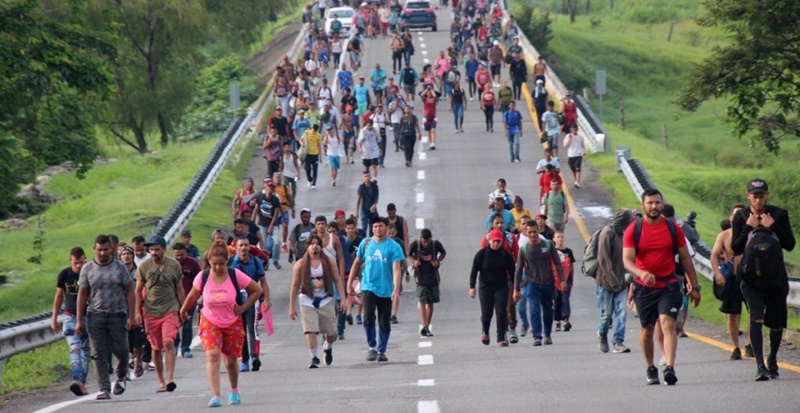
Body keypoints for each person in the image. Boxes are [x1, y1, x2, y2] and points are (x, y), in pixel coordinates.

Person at [623, 188, 702, 386]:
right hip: (644, 287)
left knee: (668, 324)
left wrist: (695, 287)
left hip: (668, 285)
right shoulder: (634, 229)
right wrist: (641, 273)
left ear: (662, 205)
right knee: (647, 329)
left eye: (657, 203)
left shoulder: (673, 228)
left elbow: (685, 258)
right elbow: (627, 260)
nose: (654, 207)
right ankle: (650, 367)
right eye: (650, 203)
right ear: (643, 205)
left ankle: (669, 367)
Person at [180, 240, 262, 407]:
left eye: (221, 264)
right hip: (210, 321)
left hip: (232, 321)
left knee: (231, 361)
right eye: (214, 264)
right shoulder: (203, 276)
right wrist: (182, 310)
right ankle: (216, 395)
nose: (218, 268)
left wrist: (243, 307)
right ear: (209, 262)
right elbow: (193, 295)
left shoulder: (234, 274)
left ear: (227, 262)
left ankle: (234, 390)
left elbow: (257, 290)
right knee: (213, 355)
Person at [731, 179, 795, 381]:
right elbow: (735, 248)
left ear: (767, 195)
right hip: (751, 278)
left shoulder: (779, 214)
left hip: (775, 277)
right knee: (756, 318)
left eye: (761, 196)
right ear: (748, 196)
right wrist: (747, 227)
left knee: (776, 323)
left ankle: (772, 358)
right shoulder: (741, 216)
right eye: (754, 196)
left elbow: (790, 244)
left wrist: (773, 226)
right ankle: (760, 365)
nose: (758, 201)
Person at [75, 235, 137, 400]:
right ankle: (104, 388)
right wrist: (79, 320)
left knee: (121, 350)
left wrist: (132, 316)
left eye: (106, 249)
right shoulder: (87, 268)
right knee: (99, 353)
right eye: (99, 250)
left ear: (111, 249)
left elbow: (130, 291)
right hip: (95, 315)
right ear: (94, 249)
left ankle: (121, 375)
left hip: (118, 314)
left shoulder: (120, 267)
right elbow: (82, 294)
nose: (102, 253)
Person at [348, 216, 405, 362]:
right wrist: (349, 283)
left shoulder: (394, 246)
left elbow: (396, 270)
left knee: (384, 321)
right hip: (368, 286)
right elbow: (356, 263)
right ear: (372, 228)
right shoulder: (366, 243)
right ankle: (372, 346)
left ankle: (381, 350)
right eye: (375, 226)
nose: (378, 229)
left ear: (386, 227)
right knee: (368, 317)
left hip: (386, 289)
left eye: (380, 226)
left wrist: (396, 290)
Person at [288, 233, 346, 368]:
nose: (315, 246)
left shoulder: (329, 261)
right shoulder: (300, 264)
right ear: (307, 247)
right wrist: (292, 306)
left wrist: (343, 299)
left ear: (321, 247)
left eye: (317, 244)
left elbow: (337, 280)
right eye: (312, 244)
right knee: (310, 330)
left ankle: (328, 346)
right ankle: (314, 357)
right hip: (307, 300)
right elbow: (295, 285)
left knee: (331, 333)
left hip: (326, 300)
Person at [135, 236, 184, 393]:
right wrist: (137, 312)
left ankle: (170, 379)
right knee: (156, 347)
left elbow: (179, 288)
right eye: (151, 250)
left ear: (164, 249)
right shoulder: (144, 267)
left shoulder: (174, 265)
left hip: (170, 309)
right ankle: (161, 381)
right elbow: (138, 291)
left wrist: (183, 309)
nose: (153, 253)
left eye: (157, 249)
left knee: (168, 342)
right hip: (150, 312)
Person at [711, 204, 753, 360]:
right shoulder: (724, 235)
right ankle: (735, 346)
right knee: (732, 314)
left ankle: (750, 343)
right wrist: (717, 273)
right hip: (732, 278)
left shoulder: (752, 234)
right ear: (730, 218)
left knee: (754, 312)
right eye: (736, 215)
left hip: (749, 278)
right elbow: (714, 255)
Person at [513, 221, 565, 346]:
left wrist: (562, 280)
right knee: (534, 309)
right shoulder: (524, 249)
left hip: (547, 283)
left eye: (534, 232)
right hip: (531, 284)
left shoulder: (548, 244)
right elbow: (519, 269)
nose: (532, 235)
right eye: (530, 232)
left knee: (548, 310)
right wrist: (516, 289)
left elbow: (558, 263)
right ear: (525, 232)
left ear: (538, 231)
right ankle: (537, 336)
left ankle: (547, 334)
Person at [51, 246, 91, 396]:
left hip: (89, 317)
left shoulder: (90, 273)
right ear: (70, 260)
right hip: (70, 317)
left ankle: (81, 383)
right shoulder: (64, 274)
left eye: (81, 262)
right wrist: (54, 318)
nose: (79, 266)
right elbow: (59, 296)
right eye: (76, 263)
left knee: (86, 351)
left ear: (85, 259)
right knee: (75, 348)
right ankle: (78, 380)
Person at [596, 209, 635, 354]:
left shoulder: (625, 235)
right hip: (606, 282)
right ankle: (602, 334)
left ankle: (618, 341)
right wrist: (612, 280)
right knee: (606, 315)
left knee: (621, 313)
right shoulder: (607, 233)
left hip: (621, 282)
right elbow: (603, 259)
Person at [228, 237, 269, 372]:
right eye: (241, 245)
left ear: (250, 247)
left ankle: (254, 357)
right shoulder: (230, 262)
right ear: (236, 248)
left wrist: (266, 299)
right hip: (235, 301)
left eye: (246, 245)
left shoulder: (256, 262)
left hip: (252, 299)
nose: (244, 248)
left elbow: (263, 281)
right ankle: (244, 360)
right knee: (240, 331)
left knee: (252, 328)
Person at [470, 229, 516, 346]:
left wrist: (516, 289)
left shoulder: (506, 255)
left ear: (501, 242)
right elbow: (474, 271)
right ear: (489, 241)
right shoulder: (482, 254)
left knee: (501, 312)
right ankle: (485, 330)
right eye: (494, 241)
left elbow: (513, 273)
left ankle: (501, 337)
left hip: (501, 286)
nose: (496, 243)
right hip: (485, 287)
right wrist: (472, 287)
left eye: (498, 241)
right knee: (487, 312)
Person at [408, 229, 446, 337]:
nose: (425, 244)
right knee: (422, 300)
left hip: (433, 277)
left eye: (427, 241)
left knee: (430, 302)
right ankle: (424, 325)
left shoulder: (435, 244)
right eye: (424, 241)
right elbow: (409, 254)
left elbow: (443, 253)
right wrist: (414, 261)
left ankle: (427, 326)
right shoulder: (416, 244)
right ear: (421, 238)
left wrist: (438, 261)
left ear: (430, 238)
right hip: (420, 278)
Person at [172, 242, 202, 359]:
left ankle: (185, 348)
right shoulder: (169, 264)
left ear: (186, 252)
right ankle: (174, 345)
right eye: (177, 256)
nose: (179, 258)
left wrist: (199, 296)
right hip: (172, 300)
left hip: (189, 299)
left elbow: (200, 279)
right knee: (174, 324)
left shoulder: (192, 263)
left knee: (187, 324)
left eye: (182, 255)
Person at [250, 180, 281, 263]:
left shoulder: (275, 200)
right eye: (268, 188)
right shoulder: (260, 197)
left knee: (277, 242)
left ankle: (275, 259)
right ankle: (265, 262)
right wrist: (252, 222)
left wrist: (271, 226)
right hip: (262, 224)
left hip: (273, 225)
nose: (270, 190)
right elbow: (255, 210)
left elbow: (276, 214)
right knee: (264, 246)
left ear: (274, 190)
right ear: (266, 188)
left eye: (272, 188)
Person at [553, 231, 575, 332]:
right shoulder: (552, 251)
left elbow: (571, 266)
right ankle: (557, 320)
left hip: (566, 280)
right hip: (555, 280)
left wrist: (571, 279)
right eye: (558, 237)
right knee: (557, 300)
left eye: (562, 237)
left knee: (565, 299)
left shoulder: (568, 251)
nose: (560, 239)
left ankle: (566, 320)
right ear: (554, 239)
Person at [355, 171, 380, 236]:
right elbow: (358, 200)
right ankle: (364, 241)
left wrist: (374, 205)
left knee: (373, 228)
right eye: (365, 176)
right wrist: (356, 212)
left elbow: (376, 197)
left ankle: (372, 240)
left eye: (368, 176)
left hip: (372, 210)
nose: (367, 178)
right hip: (364, 209)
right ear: (363, 178)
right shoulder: (361, 187)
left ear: (370, 177)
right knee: (364, 228)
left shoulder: (374, 186)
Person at [299, 124, 324, 189]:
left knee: (315, 169)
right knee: (308, 168)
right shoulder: (307, 133)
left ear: (316, 130)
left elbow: (319, 146)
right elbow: (300, 140)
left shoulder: (318, 136)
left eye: (315, 131)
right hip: (308, 153)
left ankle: (314, 184)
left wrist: (320, 156)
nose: (313, 131)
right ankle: (309, 179)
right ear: (311, 128)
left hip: (315, 154)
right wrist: (302, 144)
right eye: (313, 130)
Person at [563, 124, 585, 188]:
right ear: (571, 130)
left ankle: (577, 182)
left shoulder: (580, 137)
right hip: (571, 155)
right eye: (573, 130)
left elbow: (583, 145)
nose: (574, 131)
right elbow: (565, 145)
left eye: (575, 130)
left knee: (578, 169)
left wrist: (584, 151)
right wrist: (569, 139)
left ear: (577, 129)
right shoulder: (568, 136)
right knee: (573, 169)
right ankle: (576, 181)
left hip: (578, 154)